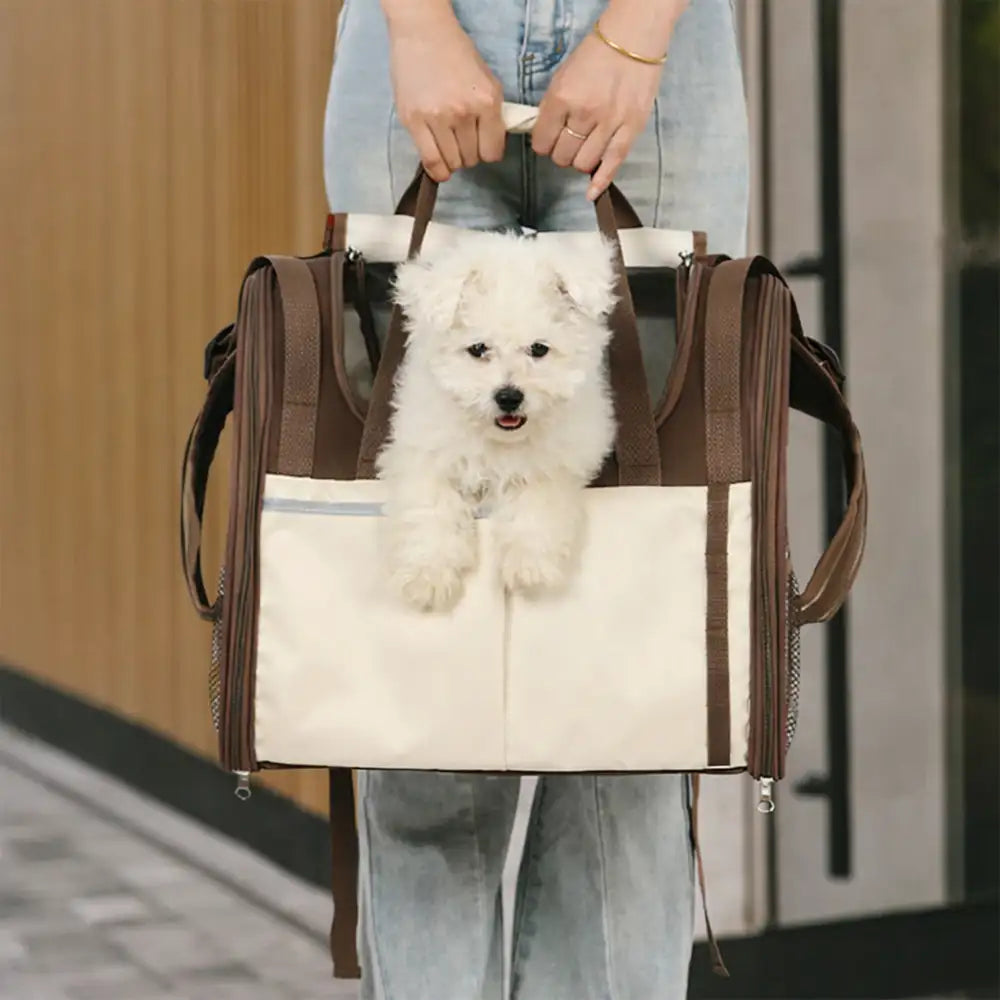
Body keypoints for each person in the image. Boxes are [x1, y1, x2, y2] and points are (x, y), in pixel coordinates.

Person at [323, 1, 749, 996]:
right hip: (414, 43)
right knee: (423, 703)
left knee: (632, 698)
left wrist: (638, 29)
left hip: (665, 65)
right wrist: (418, 23)